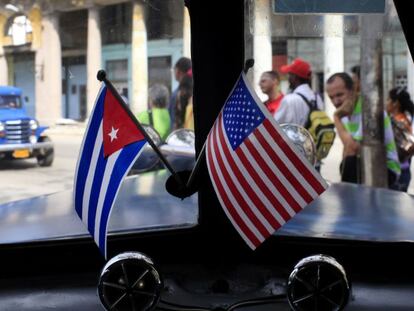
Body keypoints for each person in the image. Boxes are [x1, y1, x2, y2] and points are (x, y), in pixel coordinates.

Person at [325, 72, 400, 187]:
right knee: (346, 165)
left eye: (339, 95)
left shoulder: (368, 111)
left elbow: (352, 148)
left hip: (386, 169)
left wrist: (336, 117)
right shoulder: (344, 113)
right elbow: (346, 150)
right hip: (364, 166)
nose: (336, 102)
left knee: (350, 163)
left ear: (352, 92)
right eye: (331, 97)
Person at [275, 58, 324, 127]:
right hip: (312, 137)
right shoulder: (317, 97)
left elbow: (275, 124)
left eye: (289, 75)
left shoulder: (289, 99)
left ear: (294, 77)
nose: (288, 78)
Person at [386, 87, 414, 191]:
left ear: (395, 103)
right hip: (404, 170)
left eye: (388, 99)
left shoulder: (397, 122)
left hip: (398, 173)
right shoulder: (404, 118)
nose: (386, 102)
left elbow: (407, 146)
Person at [169, 57, 192, 130]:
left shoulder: (177, 94)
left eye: (174, 69)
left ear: (178, 71)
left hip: (180, 135)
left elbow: (174, 119)